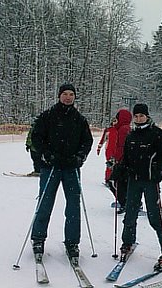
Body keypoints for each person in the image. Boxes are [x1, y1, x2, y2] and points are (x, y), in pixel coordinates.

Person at [30, 83, 93, 260]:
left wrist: (80, 157)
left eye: (71, 94)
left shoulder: (79, 119)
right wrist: (45, 155)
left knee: (73, 206)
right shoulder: (48, 116)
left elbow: (86, 142)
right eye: (64, 94)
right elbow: (36, 137)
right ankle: (38, 239)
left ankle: (72, 242)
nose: (67, 97)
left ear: (74, 97)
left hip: (71, 168)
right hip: (51, 167)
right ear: (59, 96)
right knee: (45, 203)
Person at [114, 103, 162, 270]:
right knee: (130, 214)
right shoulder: (131, 135)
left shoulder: (156, 133)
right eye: (136, 116)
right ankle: (127, 242)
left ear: (147, 116)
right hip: (134, 180)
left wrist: (159, 172)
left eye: (142, 115)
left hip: (150, 181)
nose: (139, 118)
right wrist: (120, 169)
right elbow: (126, 157)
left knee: (155, 217)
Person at [108, 108, 132, 214]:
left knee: (114, 182)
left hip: (123, 162)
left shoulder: (123, 130)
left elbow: (122, 147)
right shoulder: (124, 128)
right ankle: (127, 201)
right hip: (123, 161)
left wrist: (117, 160)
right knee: (123, 183)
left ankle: (125, 203)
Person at [97, 117, 118, 185]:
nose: (115, 122)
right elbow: (103, 139)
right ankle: (108, 179)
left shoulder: (119, 130)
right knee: (110, 164)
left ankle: (115, 179)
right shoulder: (108, 130)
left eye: (116, 121)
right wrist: (99, 147)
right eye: (114, 121)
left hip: (117, 150)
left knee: (116, 165)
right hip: (109, 150)